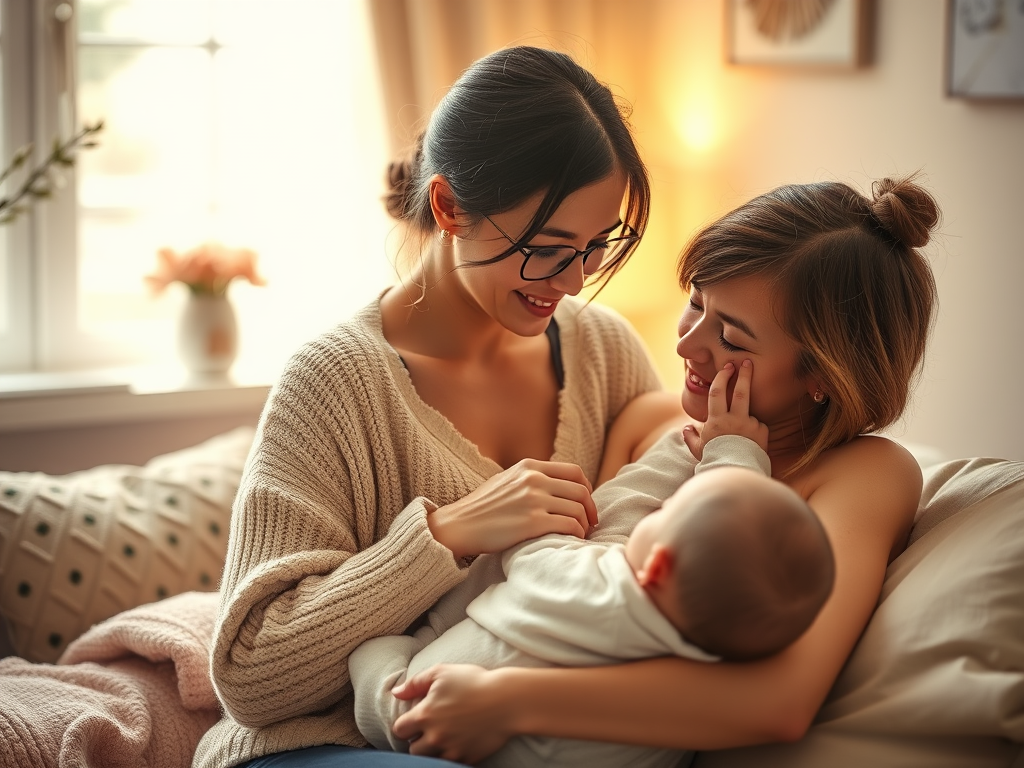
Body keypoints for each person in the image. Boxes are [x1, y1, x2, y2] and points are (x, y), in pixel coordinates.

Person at [194, 46, 672, 768]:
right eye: (548, 248)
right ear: (448, 207)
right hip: (330, 743)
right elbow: (250, 676)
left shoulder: (604, 351)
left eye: (595, 246)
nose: (574, 280)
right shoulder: (336, 382)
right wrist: (448, 534)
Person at [385, 173, 941, 764]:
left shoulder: (865, 473)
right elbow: (562, 579)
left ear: (823, 376)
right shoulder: (649, 420)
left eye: (731, 338)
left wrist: (506, 699)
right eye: (696, 303)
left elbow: (780, 699)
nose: (686, 347)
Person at [350, 445, 836, 768]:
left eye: (664, 513)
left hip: (433, 716)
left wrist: (728, 447)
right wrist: (735, 454)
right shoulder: (709, 665)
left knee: (373, 658)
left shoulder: (593, 580)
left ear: (660, 564)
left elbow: (532, 545)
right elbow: (728, 527)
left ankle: (411, 650)